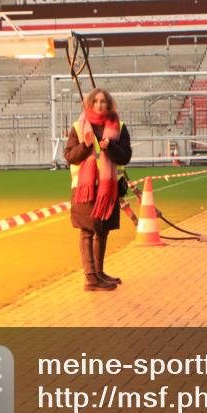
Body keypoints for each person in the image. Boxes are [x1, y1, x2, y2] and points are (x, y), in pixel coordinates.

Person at [64, 88, 133, 292]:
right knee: (87, 231)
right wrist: (85, 145)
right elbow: (69, 156)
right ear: (89, 103)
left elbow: (125, 156)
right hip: (86, 190)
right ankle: (90, 278)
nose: (99, 105)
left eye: (103, 101)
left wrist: (110, 146)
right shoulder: (79, 127)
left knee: (103, 231)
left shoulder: (119, 127)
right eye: (95, 101)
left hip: (109, 189)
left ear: (109, 104)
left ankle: (99, 273)